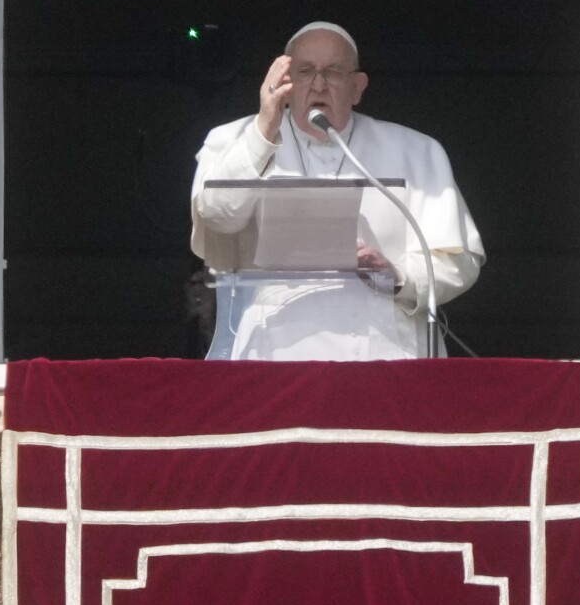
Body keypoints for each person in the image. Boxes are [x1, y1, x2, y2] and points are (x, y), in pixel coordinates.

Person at [190, 22, 484, 360]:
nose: (318, 84)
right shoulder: (234, 139)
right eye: (304, 72)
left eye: (333, 72)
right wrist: (264, 131)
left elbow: (459, 260)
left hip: (385, 353)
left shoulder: (416, 150)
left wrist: (399, 276)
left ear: (357, 87)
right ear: (284, 81)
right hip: (273, 353)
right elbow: (218, 216)